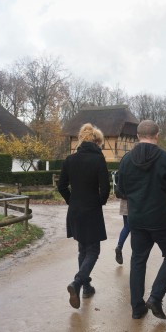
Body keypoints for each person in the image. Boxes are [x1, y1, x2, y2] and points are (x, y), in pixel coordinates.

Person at [118, 120, 166, 320]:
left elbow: (121, 190)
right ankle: (155, 297)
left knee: (138, 260)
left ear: (138, 136)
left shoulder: (126, 160)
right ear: (157, 134)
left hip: (137, 219)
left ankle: (137, 308)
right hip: (163, 218)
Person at [57, 123, 110, 309]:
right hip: (91, 209)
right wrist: (99, 202)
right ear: (96, 142)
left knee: (83, 249)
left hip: (75, 210)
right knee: (93, 250)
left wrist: (72, 201)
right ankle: (78, 282)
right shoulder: (98, 159)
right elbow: (105, 188)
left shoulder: (69, 160)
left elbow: (61, 186)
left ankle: (86, 287)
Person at [115, 198, 129, 265]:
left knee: (126, 226)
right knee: (137, 229)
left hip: (124, 202)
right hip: (135, 202)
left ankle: (119, 246)